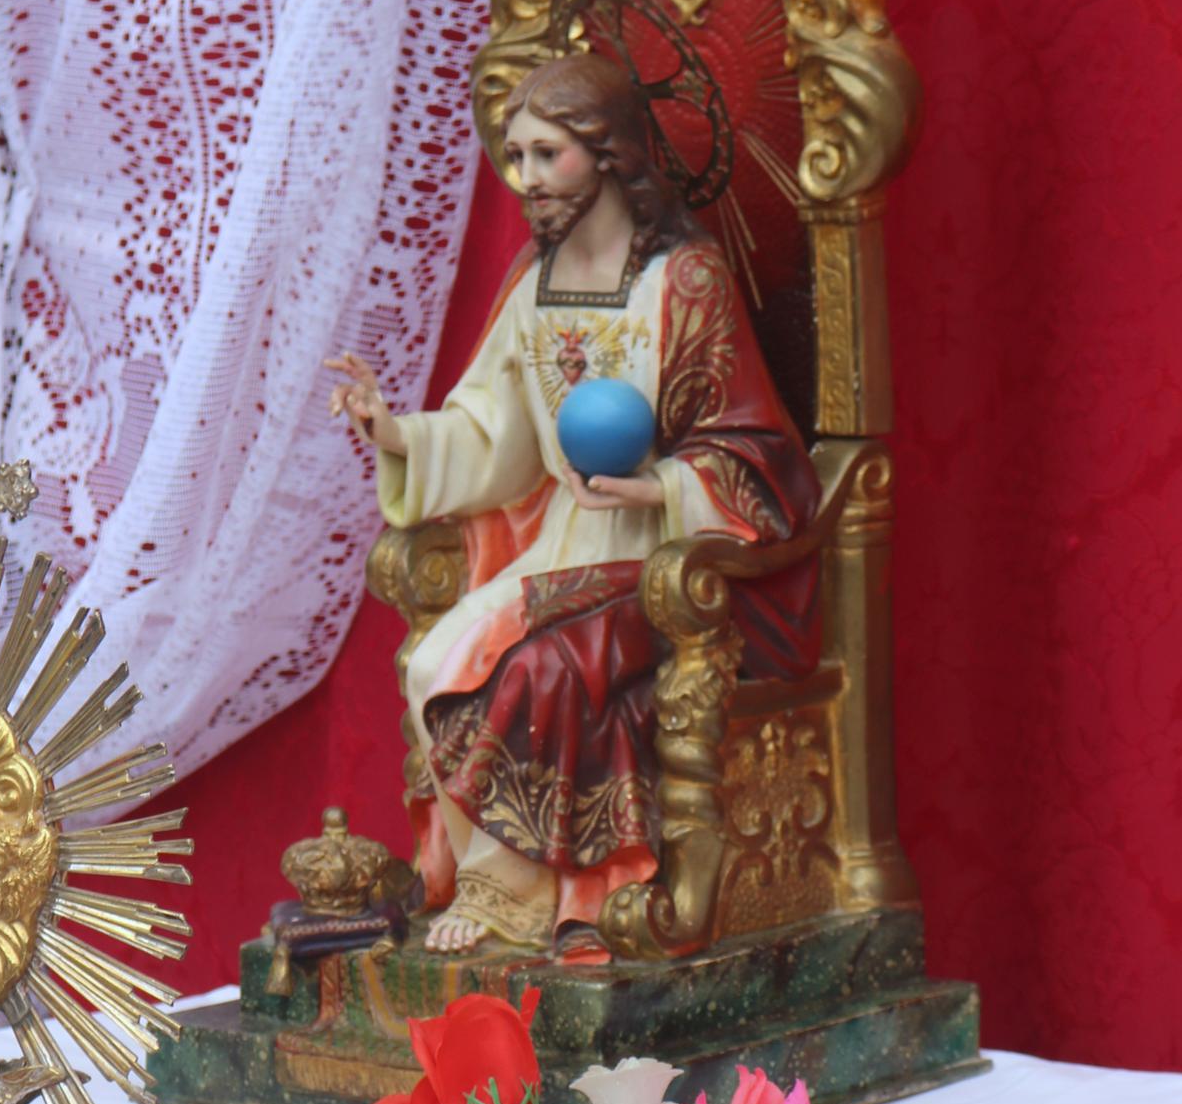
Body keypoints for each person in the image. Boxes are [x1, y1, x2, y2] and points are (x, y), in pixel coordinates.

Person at [329, 52, 819, 954]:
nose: (524, 180)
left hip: (665, 553)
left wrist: (662, 486)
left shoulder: (685, 281)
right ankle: (482, 881)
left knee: (538, 672)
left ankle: (513, 896)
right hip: (561, 542)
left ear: (607, 155)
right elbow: (493, 430)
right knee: (432, 662)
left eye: (546, 154)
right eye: (513, 157)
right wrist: (393, 433)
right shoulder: (533, 282)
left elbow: (753, 448)